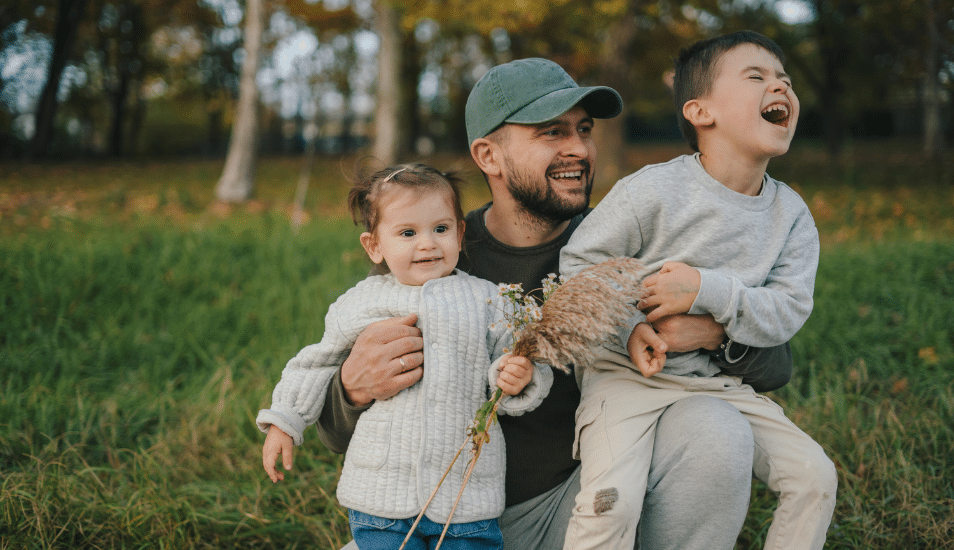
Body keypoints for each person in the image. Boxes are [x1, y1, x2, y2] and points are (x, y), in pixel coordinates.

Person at [320, 57, 796, 550]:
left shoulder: (625, 243)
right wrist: (352, 389)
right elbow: (333, 431)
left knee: (715, 427)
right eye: (551, 132)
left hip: (586, 508)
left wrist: (716, 335)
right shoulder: (435, 257)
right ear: (489, 155)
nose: (579, 149)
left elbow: (776, 363)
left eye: (584, 129)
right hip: (446, 518)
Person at [559, 31, 838, 550]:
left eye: (785, 79)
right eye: (756, 76)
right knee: (609, 506)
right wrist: (628, 328)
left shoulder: (791, 216)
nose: (778, 85)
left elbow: (787, 310)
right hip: (625, 380)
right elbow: (582, 263)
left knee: (815, 478)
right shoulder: (653, 190)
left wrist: (707, 291)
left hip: (715, 385)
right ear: (700, 111)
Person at [257, 163, 554, 550]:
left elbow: (520, 356)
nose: (427, 244)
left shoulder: (488, 299)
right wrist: (285, 420)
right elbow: (318, 361)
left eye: (441, 229)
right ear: (374, 246)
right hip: (381, 495)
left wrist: (518, 377)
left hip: (466, 497)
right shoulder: (362, 302)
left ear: (461, 234)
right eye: (408, 233)